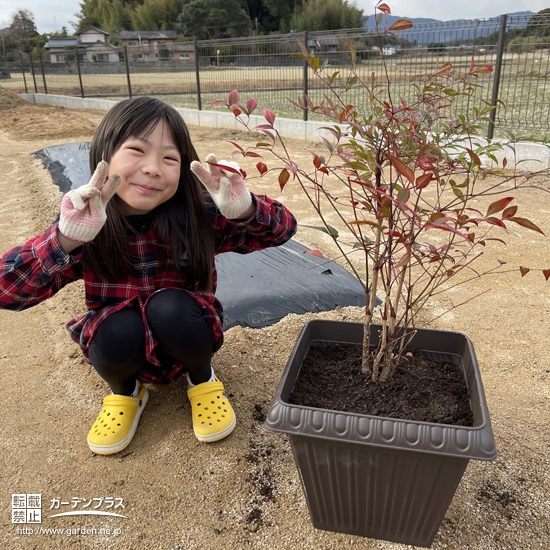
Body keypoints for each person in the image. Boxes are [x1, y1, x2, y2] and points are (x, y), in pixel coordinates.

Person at [0, 97, 296, 456]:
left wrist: (246, 210)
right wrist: (65, 239)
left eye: (169, 158)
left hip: (188, 335)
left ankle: (202, 379)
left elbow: (281, 231)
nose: (154, 168)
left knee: (169, 306)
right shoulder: (87, 225)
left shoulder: (198, 216)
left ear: (185, 168)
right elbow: (8, 292)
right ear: (104, 155)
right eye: (137, 150)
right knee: (115, 327)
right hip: (121, 348)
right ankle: (126, 393)